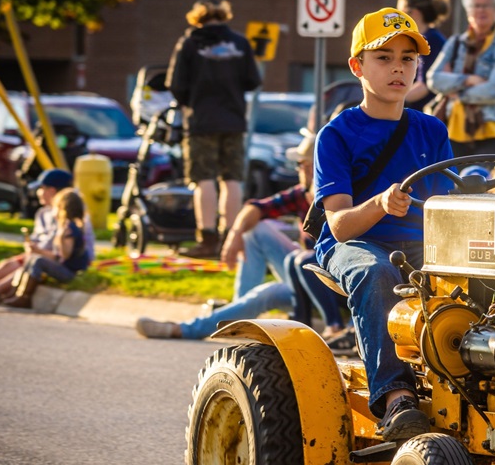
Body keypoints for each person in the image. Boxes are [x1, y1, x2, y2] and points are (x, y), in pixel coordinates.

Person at [315, 6, 453, 441]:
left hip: (421, 243)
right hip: (358, 242)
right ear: (358, 66)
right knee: (378, 273)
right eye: (384, 57)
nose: (398, 68)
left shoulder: (431, 130)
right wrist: (378, 203)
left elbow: (450, 201)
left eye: (408, 59)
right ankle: (396, 399)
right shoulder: (336, 134)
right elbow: (338, 225)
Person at [134, 135, 346, 342]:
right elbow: (255, 207)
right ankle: (238, 309)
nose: (298, 169)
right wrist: (234, 236)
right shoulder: (302, 193)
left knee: (268, 290)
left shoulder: (336, 197)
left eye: (300, 164)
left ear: (311, 167)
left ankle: (186, 329)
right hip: (304, 274)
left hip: (330, 285)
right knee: (256, 229)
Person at [167, 0, 262, 259]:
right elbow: (253, 81)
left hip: (201, 122)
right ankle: (230, 238)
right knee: (232, 179)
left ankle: (207, 239)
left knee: (203, 180)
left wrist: (192, 102)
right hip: (233, 121)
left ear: (198, 19)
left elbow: (175, 84)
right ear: (224, 17)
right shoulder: (240, 43)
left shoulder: (189, 43)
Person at [0, 168, 93, 302]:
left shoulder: (68, 218)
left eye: (41, 188)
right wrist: (31, 247)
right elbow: (39, 240)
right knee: (9, 264)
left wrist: (36, 250)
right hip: (44, 255)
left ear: (51, 191)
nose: (38, 193)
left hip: (57, 260)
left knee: (25, 264)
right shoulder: (43, 213)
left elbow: (61, 252)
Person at [426, 0, 495, 158]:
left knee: (488, 185)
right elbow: (433, 79)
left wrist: (457, 93)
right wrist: (468, 80)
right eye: (476, 5)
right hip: (454, 130)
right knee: (453, 185)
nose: (480, 10)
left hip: (494, 131)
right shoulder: (455, 43)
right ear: (468, 10)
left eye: (487, 5)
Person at [4, 188, 92, 309]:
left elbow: (64, 255)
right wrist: (37, 251)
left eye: (55, 207)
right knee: (32, 258)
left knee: (38, 260)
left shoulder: (69, 228)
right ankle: (14, 293)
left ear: (63, 209)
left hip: (70, 272)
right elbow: (57, 256)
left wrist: (60, 238)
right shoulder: (68, 225)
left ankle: (25, 297)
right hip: (65, 267)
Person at [396, 0, 451, 112]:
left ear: (414, 13)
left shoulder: (432, 41)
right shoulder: (421, 38)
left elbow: (424, 86)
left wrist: (390, 101)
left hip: (424, 115)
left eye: (401, 13)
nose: (398, 18)